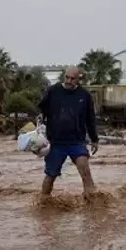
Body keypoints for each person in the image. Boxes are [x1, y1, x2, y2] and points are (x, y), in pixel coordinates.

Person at [37, 66, 99, 200]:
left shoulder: (85, 96)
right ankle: (42, 204)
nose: (69, 81)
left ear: (79, 79)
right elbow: (42, 109)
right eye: (67, 77)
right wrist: (41, 118)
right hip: (56, 143)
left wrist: (94, 140)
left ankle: (93, 205)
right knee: (50, 176)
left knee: (85, 169)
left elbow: (90, 119)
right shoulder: (53, 91)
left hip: (77, 141)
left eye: (73, 78)